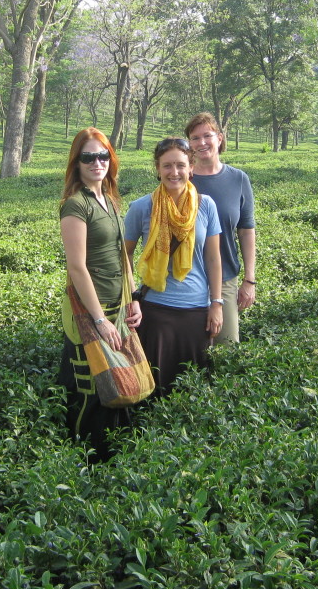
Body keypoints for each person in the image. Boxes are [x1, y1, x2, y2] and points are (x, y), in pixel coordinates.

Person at [57, 128, 142, 462]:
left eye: (103, 155)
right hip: (91, 310)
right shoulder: (75, 206)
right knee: (91, 388)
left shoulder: (109, 199)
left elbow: (124, 256)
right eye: (88, 157)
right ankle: (85, 460)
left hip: (117, 305)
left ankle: (115, 456)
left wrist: (133, 297)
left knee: (119, 382)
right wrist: (99, 320)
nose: (97, 162)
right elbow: (77, 268)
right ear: (76, 163)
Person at [124, 137, 223, 397]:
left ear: (191, 167)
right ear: (157, 168)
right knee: (154, 390)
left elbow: (214, 259)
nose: (174, 172)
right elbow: (123, 257)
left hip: (196, 312)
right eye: (167, 166)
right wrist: (132, 298)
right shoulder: (141, 207)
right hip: (155, 312)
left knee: (193, 390)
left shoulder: (206, 206)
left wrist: (216, 304)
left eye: (180, 165)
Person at [184, 112, 256, 345]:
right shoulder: (182, 180)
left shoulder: (238, 179)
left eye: (207, 136)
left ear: (220, 138)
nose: (202, 142)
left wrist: (249, 280)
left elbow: (246, 230)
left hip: (225, 278)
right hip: (187, 279)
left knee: (227, 347)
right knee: (192, 353)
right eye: (195, 138)